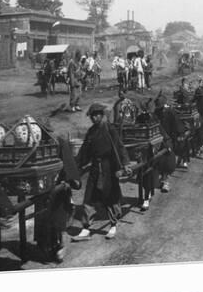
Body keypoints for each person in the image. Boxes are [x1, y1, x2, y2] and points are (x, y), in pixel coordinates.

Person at [73, 103, 131, 241]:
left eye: (96, 115)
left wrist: (125, 164)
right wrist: (76, 165)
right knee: (89, 197)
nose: (93, 118)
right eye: (92, 116)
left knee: (111, 196)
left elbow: (120, 147)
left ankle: (113, 225)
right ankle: (86, 228)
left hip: (109, 167)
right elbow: (84, 151)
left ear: (101, 115)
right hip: (95, 168)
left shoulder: (110, 129)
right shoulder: (91, 132)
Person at [33, 134, 81, 263]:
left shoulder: (59, 142)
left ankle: (61, 246)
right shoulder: (35, 144)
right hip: (42, 187)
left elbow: (69, 163)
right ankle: (46, 246)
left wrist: (71, 179)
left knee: (59, 218)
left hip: (59, 186)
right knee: (43, 217)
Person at [155, 94, 190, 172]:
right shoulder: (161, 111)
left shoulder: (167, 111)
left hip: (167, 133)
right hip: (165, 134)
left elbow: (176, 122)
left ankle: (183, 159)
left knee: (180, 144)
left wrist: (179, 132)